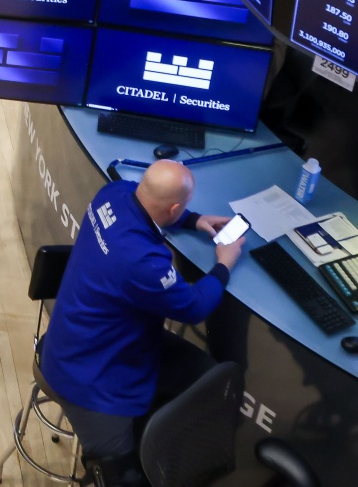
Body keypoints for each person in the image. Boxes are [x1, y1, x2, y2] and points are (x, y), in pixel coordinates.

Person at [37, 160, 239, 486]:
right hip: (89, 384)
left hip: (77, 339)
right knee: (123, 479)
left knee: (208, 379)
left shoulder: (113, 194)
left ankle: (157, 433)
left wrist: (195, 219)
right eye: (182, 209)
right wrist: (224, 263)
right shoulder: (144, 262)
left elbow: (145, 202)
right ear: (173, 207)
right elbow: (195, 306)